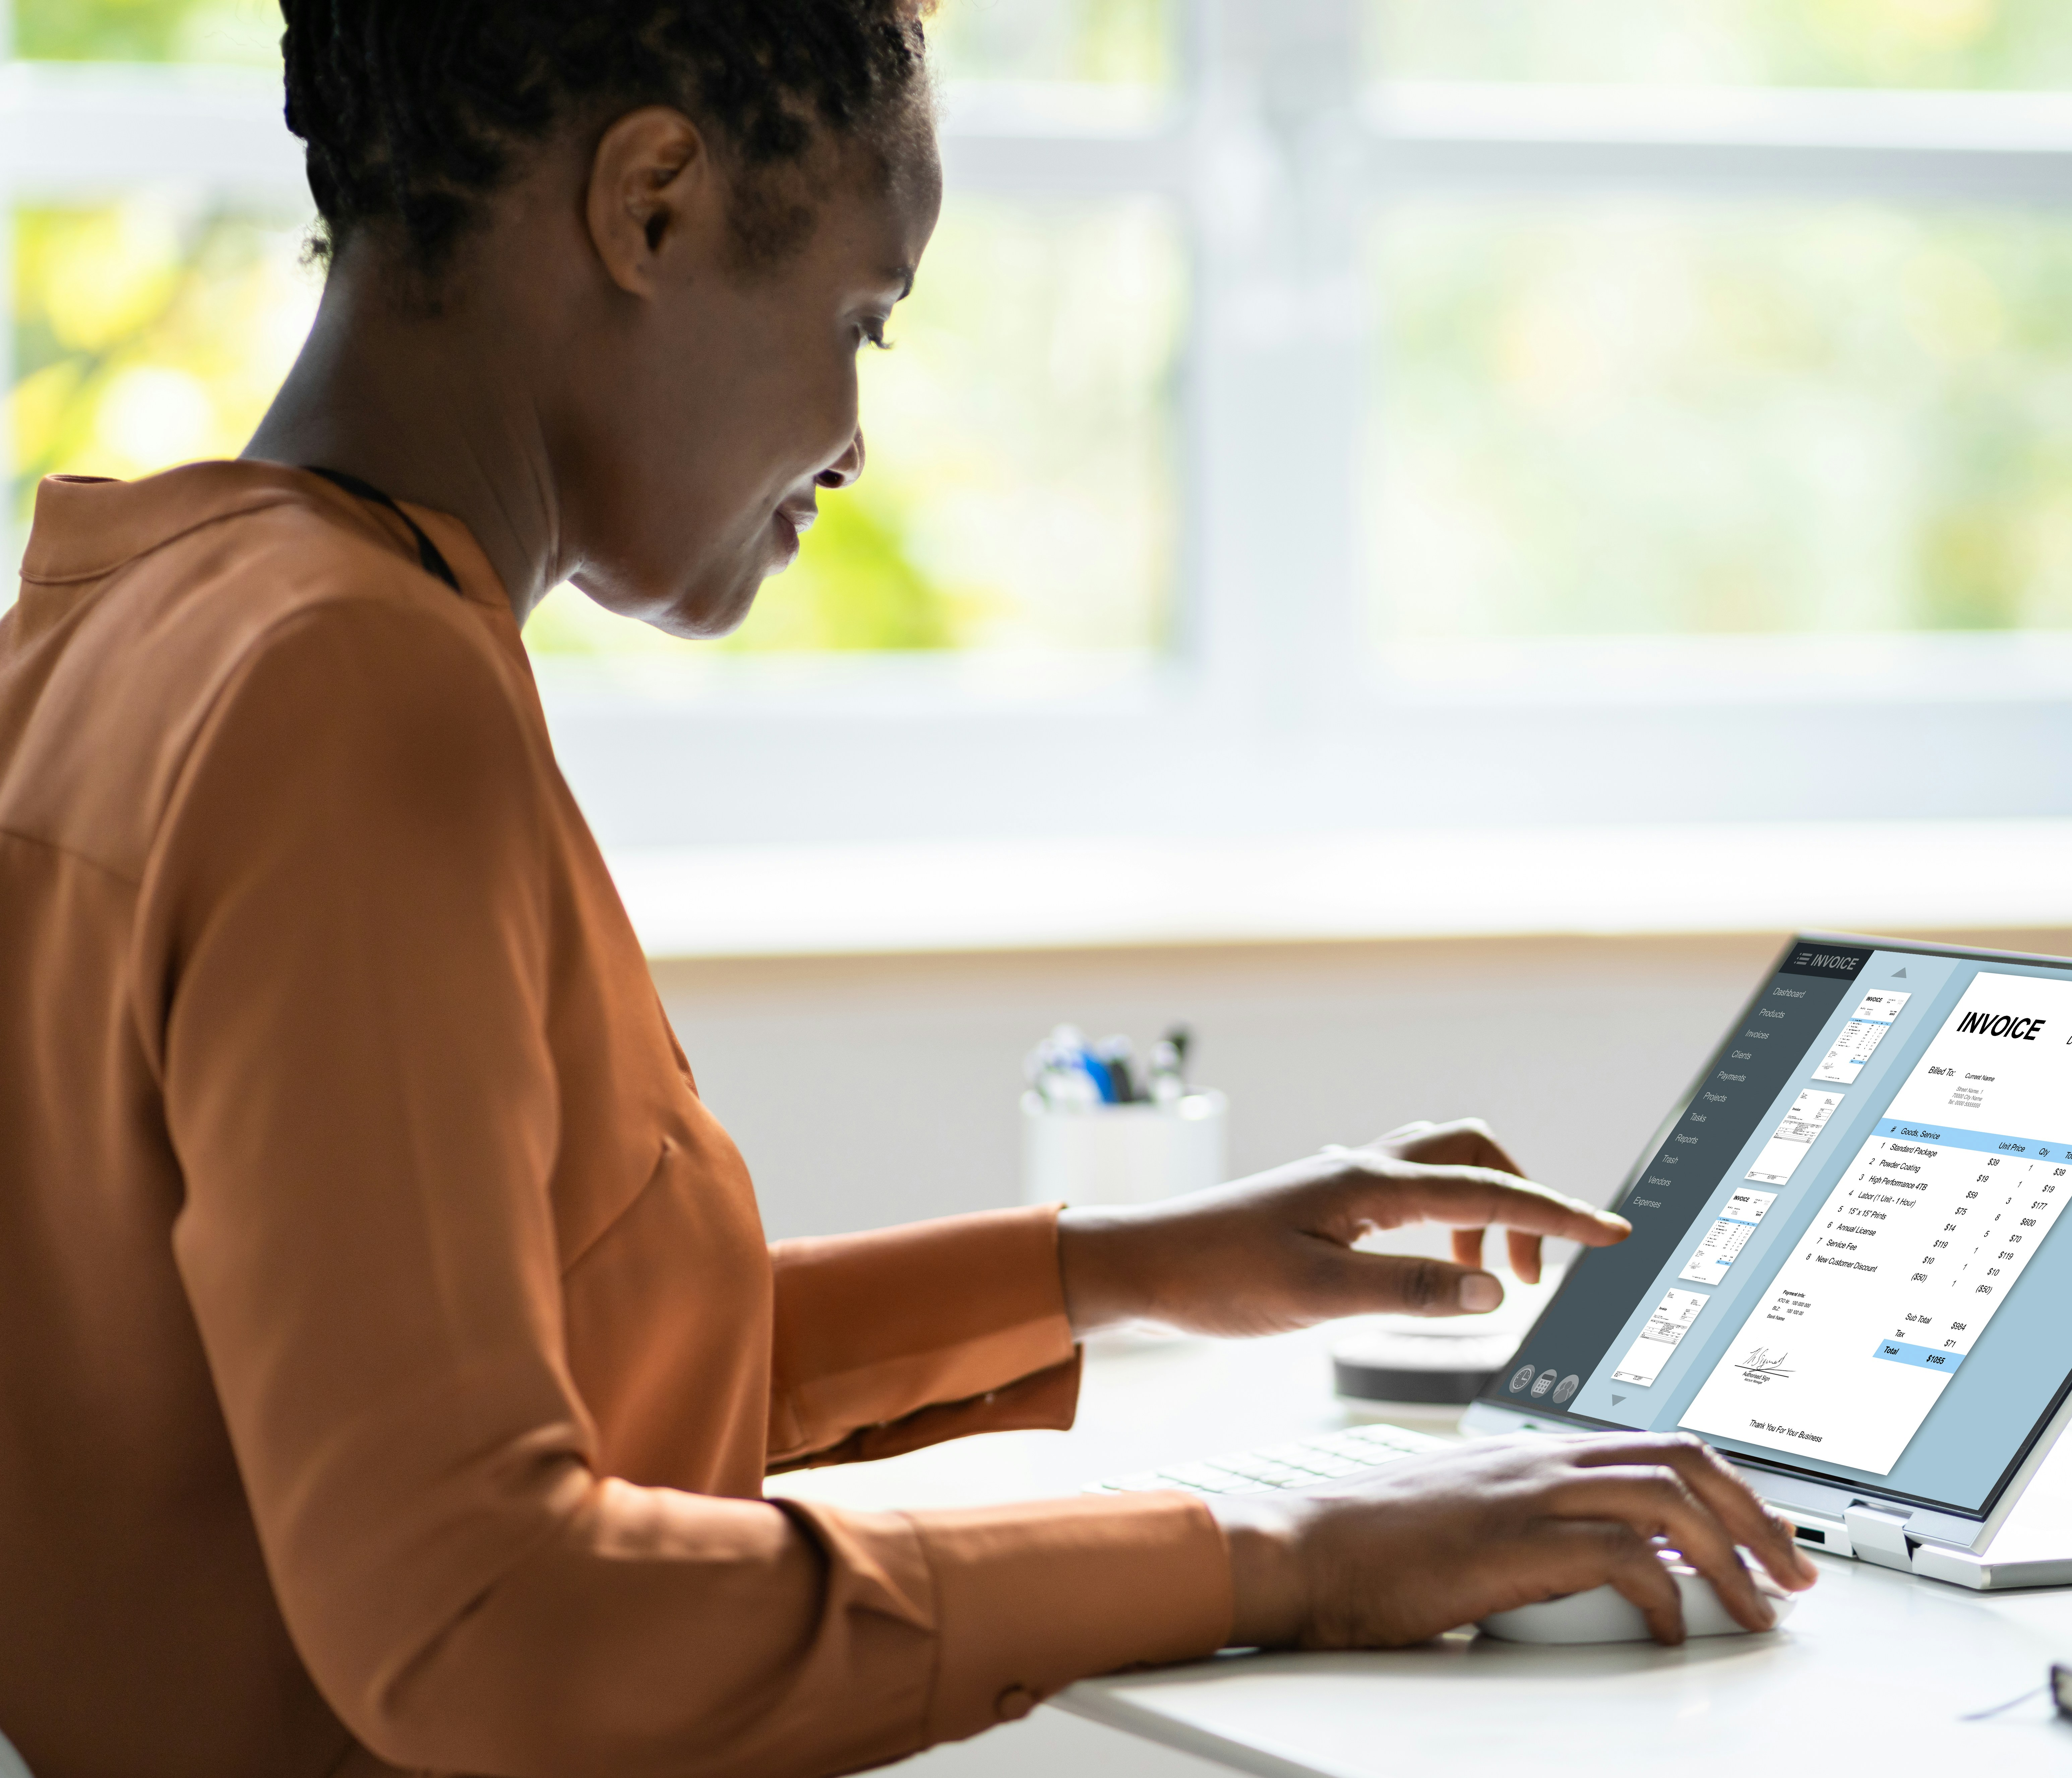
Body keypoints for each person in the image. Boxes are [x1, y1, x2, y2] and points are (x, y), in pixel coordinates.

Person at [0, 3, 1817, 1774]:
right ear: (650, 205)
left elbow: (500, 1366)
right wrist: (1295, 1565)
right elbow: (487, 1617)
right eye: (861, 321)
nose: (855, 439)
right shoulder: (355, 687)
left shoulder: (115, 625)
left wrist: (1127, 1268)